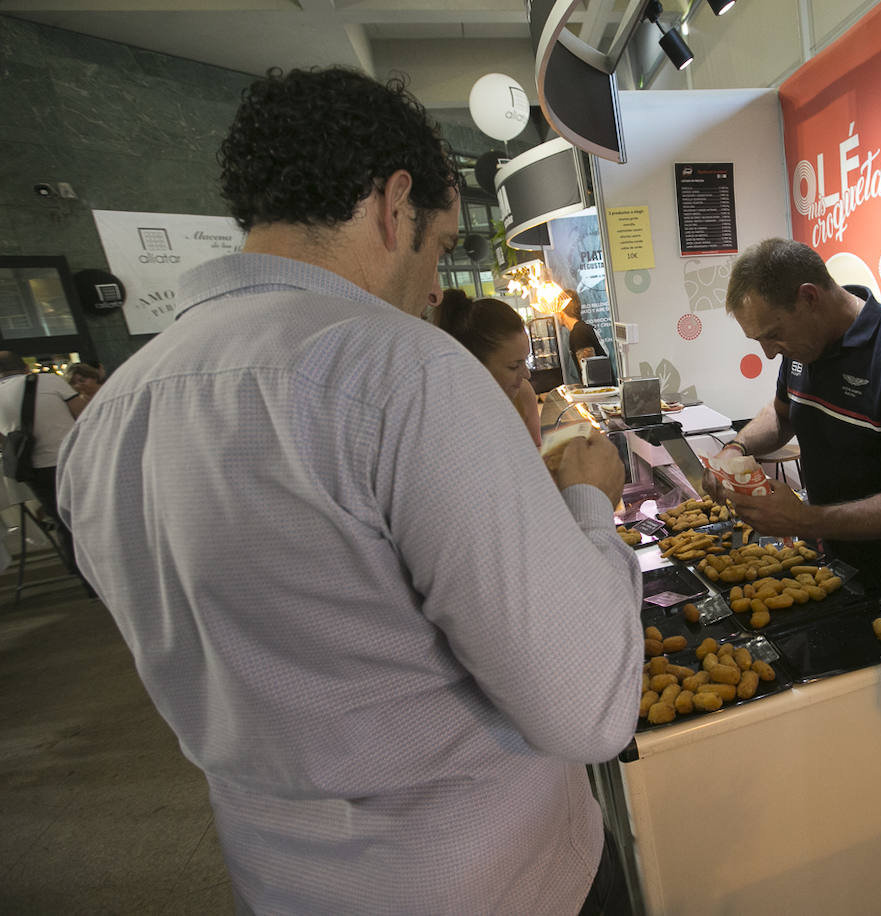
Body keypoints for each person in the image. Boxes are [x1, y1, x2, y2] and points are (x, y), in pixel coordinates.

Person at [55, 66, 642, 916]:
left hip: (282, 879)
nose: (438, 285)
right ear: (391, 204)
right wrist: (591, 506)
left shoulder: (106, 418)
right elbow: (589, 708)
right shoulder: (400, 370)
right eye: (439, 244)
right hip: (491, 879)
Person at [707, 237, 881, 835]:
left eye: (772, 334)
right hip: (832, 557)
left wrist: (809, 520)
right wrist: (738, 446)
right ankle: (854, 818)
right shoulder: (799, 350)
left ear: (809, 298)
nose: (770, 352)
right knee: (841, 694)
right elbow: (784, 414)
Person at [0, 352, 84, 572]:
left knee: (62, 521)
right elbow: (83, 415)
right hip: (73, 458)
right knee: (92, 511)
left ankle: (84, 577)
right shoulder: (49, 380)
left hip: (35, 468)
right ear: (26, 368)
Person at [431, 288, 542, 446]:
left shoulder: (523, 394)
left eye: (525, 360)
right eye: (513, 366)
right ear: (475, 365)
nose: (526, 374)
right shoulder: (445, 414)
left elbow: (537, 452)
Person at [555, 289, 611, 383]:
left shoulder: (579, 332)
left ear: (561, 312)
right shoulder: (582, 328)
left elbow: (590, 373)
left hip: (598, 394)